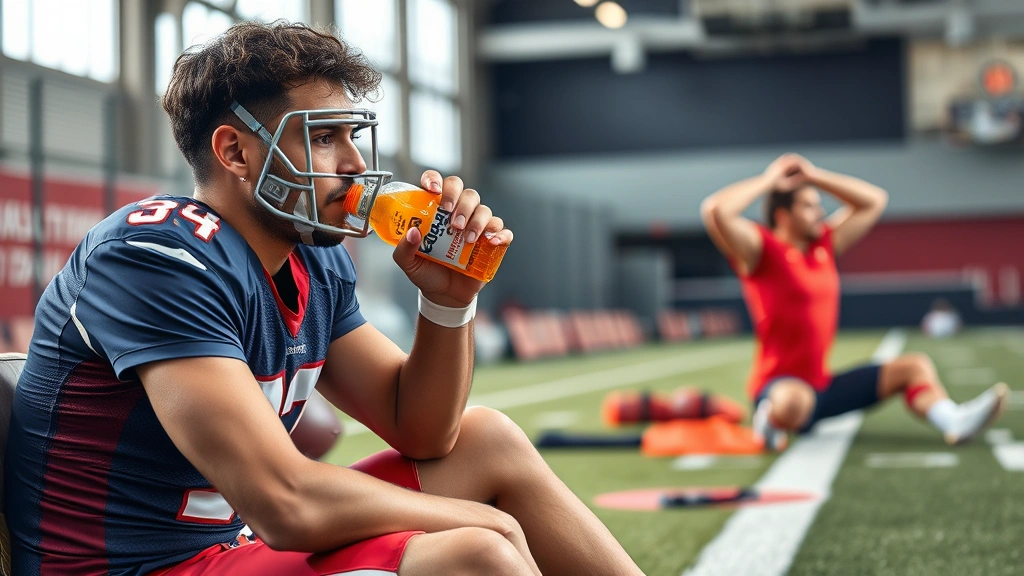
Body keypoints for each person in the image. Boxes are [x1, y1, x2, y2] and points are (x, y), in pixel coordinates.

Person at [4, 22, 644, 576]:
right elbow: (287, 502)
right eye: (322, 137)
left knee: (488, 442)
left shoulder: (312, 257)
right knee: (475, 553)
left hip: (227, 550)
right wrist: (479, 520)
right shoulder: (154, 257)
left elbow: (423, 429)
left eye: (351, 135)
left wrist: (450, 304)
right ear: (235, 151)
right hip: (137, 567)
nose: (355, 164)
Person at [700, 154, 1006, 449]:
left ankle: (952, 420)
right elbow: (716, 210)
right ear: (783, 215)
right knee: (795, 402)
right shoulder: (760, 250)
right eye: (808, 206)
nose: (819, 213)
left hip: (823, 386)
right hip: (779, 387)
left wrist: (813, 175)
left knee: (915, 367)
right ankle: (769, 423)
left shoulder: (824, 245)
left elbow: (874, 201)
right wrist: (771, 179)